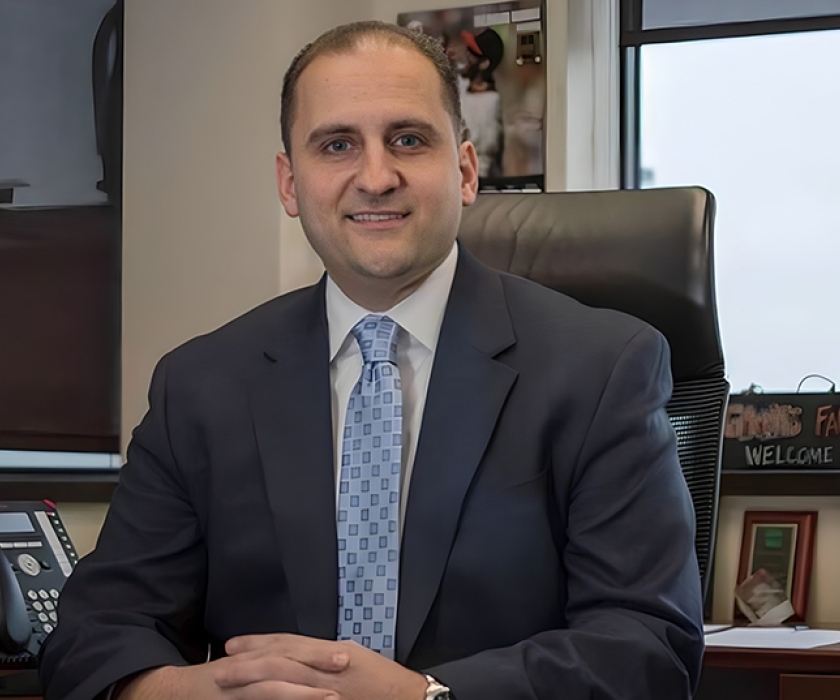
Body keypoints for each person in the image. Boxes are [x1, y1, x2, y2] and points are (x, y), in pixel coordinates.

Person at [39, 20, 704, 700]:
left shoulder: (602, 369)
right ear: (290, 183)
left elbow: (647, 650)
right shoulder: (202, 385)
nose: (377, 177)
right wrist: (195, 693)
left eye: (408, 140)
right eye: (337, 145)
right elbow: (95, 635)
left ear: (467, 171)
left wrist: (425, 697)